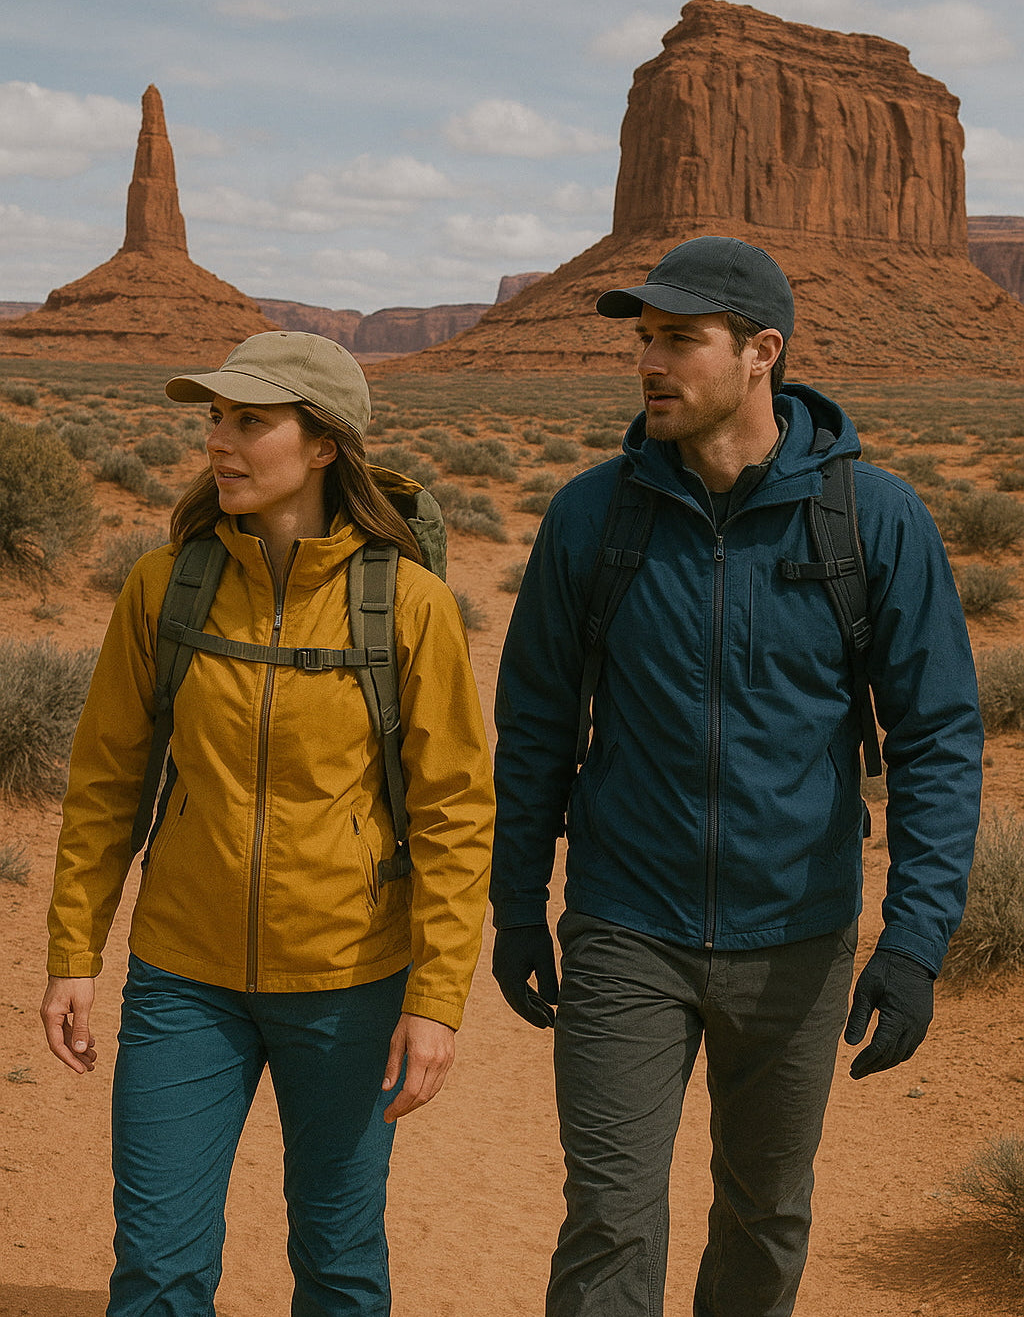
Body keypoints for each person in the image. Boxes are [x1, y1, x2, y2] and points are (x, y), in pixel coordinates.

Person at [490, 236, 983, 1316]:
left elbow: (938, 735)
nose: (650, 364)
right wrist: (517, 902)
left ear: (762, 351)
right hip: (627, 925)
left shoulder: (872, 520)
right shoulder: (593, 514)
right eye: (642, 340)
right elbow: (532, 723)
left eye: (679, 340)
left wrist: (913, 941)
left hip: (796, 936)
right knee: (609, 1220)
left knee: (765, 1217)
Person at [40, 330, 494, 1316]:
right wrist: (73, 950)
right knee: (156, 1268)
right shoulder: (166, 585)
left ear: (324, 442)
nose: (221, 442)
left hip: (348, 979)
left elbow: (455, 814)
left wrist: (436, 998)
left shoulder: (407, 605)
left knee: (338, 1265)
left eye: (251, 420)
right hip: (181, 975)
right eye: (213, 417)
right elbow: (107, 780)